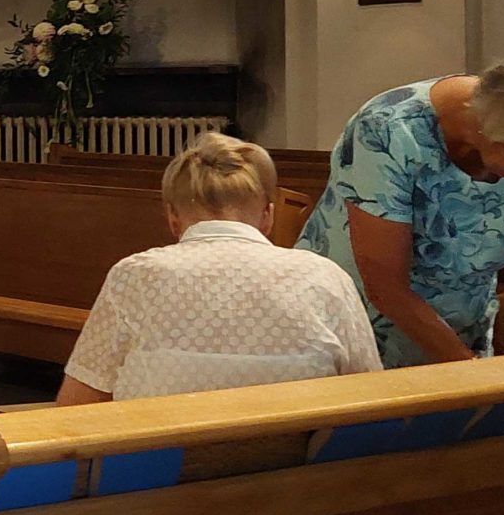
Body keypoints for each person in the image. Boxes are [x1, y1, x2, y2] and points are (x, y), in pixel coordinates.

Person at [294, 52, 504, 366]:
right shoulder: (388, 130)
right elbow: (385, 286)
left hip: (459, 340)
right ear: (488, 128)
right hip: (349, 332)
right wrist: (466, 372)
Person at [57, 134, 380, 405]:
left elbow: (76, 405)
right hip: (295, 461)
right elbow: (371, 396)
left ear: (172, 218)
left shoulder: (135, 276)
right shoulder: (325, 276)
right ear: (268, 216)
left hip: (161, 462)